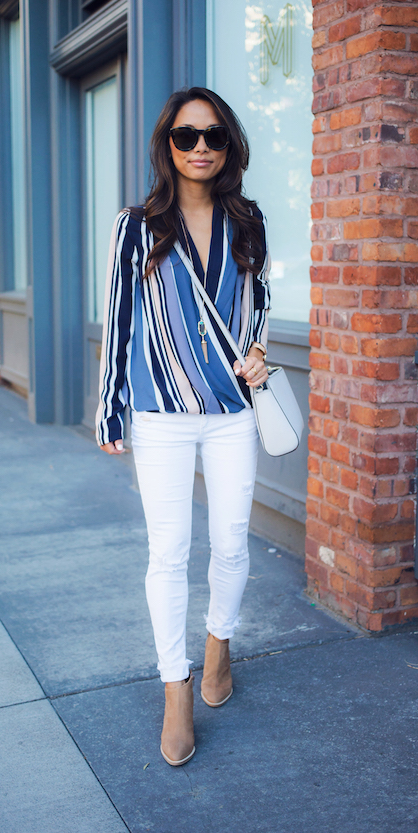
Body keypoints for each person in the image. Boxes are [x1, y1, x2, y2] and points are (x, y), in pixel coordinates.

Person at [96, 87, 270, 766]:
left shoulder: (247, 219)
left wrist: (257, 350)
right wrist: (109, 407)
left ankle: (218, 645)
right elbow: (118, 322)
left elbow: (257, 303)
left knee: (229, 543)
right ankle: (177, 691)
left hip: (230, 412)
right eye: (186, 135)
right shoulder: (137, 226)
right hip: (160, 414)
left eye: (214, 136)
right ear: (166, 144)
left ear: (229, 146)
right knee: (168, 554)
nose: (200, 146)